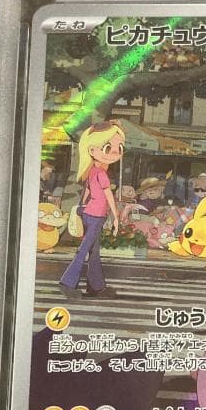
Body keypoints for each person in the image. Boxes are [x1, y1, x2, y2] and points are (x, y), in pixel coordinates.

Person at [59, 122, 123, 300]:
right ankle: (67, 283)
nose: (116, 152)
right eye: (108, 147)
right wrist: (115, 217)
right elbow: (109, 197)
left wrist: (81, 206)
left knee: (94, 252)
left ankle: (96, 286)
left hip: (90, 213)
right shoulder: (101, 174)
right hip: (95, 215)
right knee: (85, 249)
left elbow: (87, 191)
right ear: (92, 150)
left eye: (119, 147)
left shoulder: (92, 171)